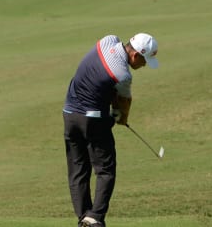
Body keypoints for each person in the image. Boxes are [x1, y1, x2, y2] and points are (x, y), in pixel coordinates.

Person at [63, 33, 159, 227]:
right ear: (135, 56)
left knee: (78, 169)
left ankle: (84, 219)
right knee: (105, 170)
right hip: (92, 120)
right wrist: (119, 117)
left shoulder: (108, 40)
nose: (144, 65)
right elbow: (122, 105)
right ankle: (95, 217)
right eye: (144, 61)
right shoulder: (123, 75)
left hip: (69, 115)